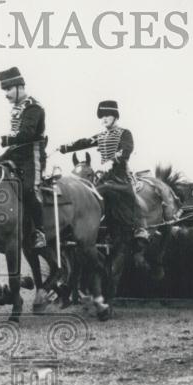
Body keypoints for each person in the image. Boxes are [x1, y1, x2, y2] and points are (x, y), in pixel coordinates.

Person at [58, 100, 149, 267]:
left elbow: (126, 150)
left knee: (131, 196)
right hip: (105, 176)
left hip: (120, 175)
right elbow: (84, 142)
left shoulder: (124, 133)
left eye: (107, 115)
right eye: (102, 116)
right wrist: (64, 148)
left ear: (115, 117)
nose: (104, 119)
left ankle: (139, 228)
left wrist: (113, 160)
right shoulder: (101, 136)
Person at [0, 67, 47, 249]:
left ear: (19, 87)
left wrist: (8, 139)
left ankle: (40, 231)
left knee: (29, 189)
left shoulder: (33, 107)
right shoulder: (17, 108)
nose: (6, 94)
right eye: (5, 90)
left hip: (32, 155)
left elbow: (27, 133)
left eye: (8, 89)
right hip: (16, 154)